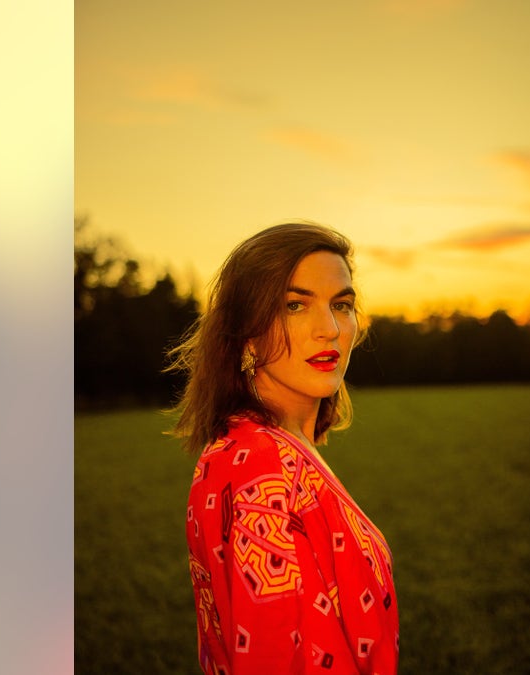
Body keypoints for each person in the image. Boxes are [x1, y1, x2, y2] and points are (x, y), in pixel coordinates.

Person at [167, 222, 398, 674]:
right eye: (295, 305)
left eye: (342, 305)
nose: (329, 329)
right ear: (248, 332)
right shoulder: (264, 468)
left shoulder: (257, 445)